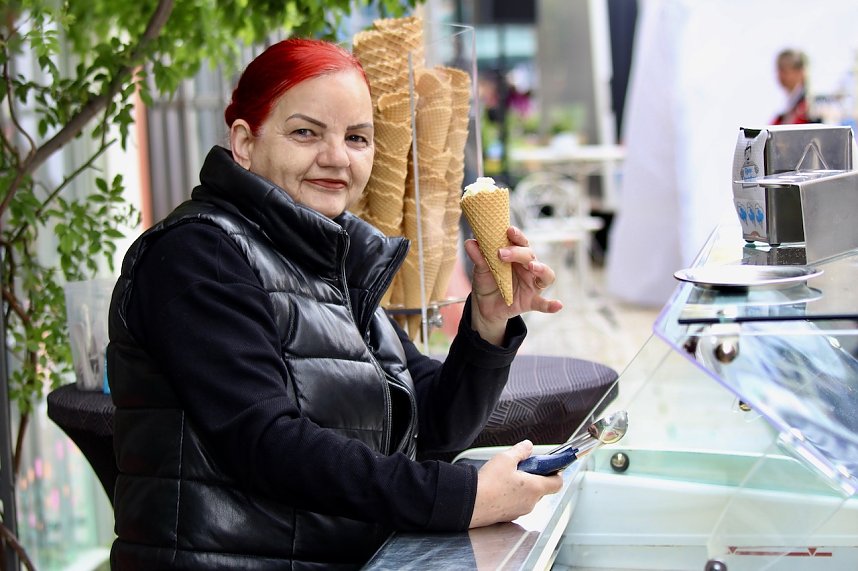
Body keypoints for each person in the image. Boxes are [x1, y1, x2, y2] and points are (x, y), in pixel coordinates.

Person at [107, 38, 565, 570]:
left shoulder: (332, 259)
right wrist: (463, 497)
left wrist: (488, 322)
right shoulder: (199, 253)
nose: (335, 158)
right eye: (305, 132)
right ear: (244, 142)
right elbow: (267, 444)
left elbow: (429, 426)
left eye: (357, 137)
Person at [772, 48, 813, 125]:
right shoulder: (789, 108)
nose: (780, 75)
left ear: (800, 72)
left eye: (784, 70)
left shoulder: (808, 109)